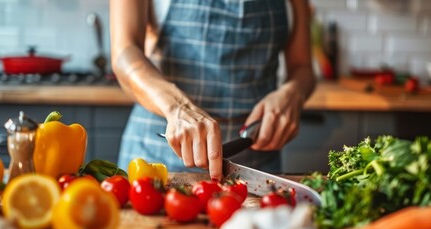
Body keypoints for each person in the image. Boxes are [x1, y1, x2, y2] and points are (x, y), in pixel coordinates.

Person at [110, 0, 316, 180]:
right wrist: (177, 107)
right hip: (158, 160)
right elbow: (124, 53)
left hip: (256, 168)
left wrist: (292, 93)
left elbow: (302, 67)